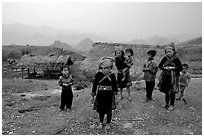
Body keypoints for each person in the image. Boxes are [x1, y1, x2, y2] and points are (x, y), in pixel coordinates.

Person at [91, 57, 118, 130]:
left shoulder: (112, 75)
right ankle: (101, 122)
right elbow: (95, 84)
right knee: (101, 108)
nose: (105, 70)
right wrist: (93, 94)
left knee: (109, 109)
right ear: (100, 68)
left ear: (110, 68)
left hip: (109, 94)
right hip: (100, 94)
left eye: (107, 68)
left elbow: (115, 85)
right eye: (103, 68)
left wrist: (116, 94)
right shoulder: (98, 75)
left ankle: (108, 123)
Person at [158, 43, 183, 111]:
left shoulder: (176, 59)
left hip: (174, 78)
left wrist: (173, 68)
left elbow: (180, 68)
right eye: (167, 52)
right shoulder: (164, 59)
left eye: (170, 51)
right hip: (165, 77)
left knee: (172, 92)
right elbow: (160, 66)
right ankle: (166, 103)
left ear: (173, 52)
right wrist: (165, 68)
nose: (168, 53)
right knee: (166, 91)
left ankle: (172, 105)